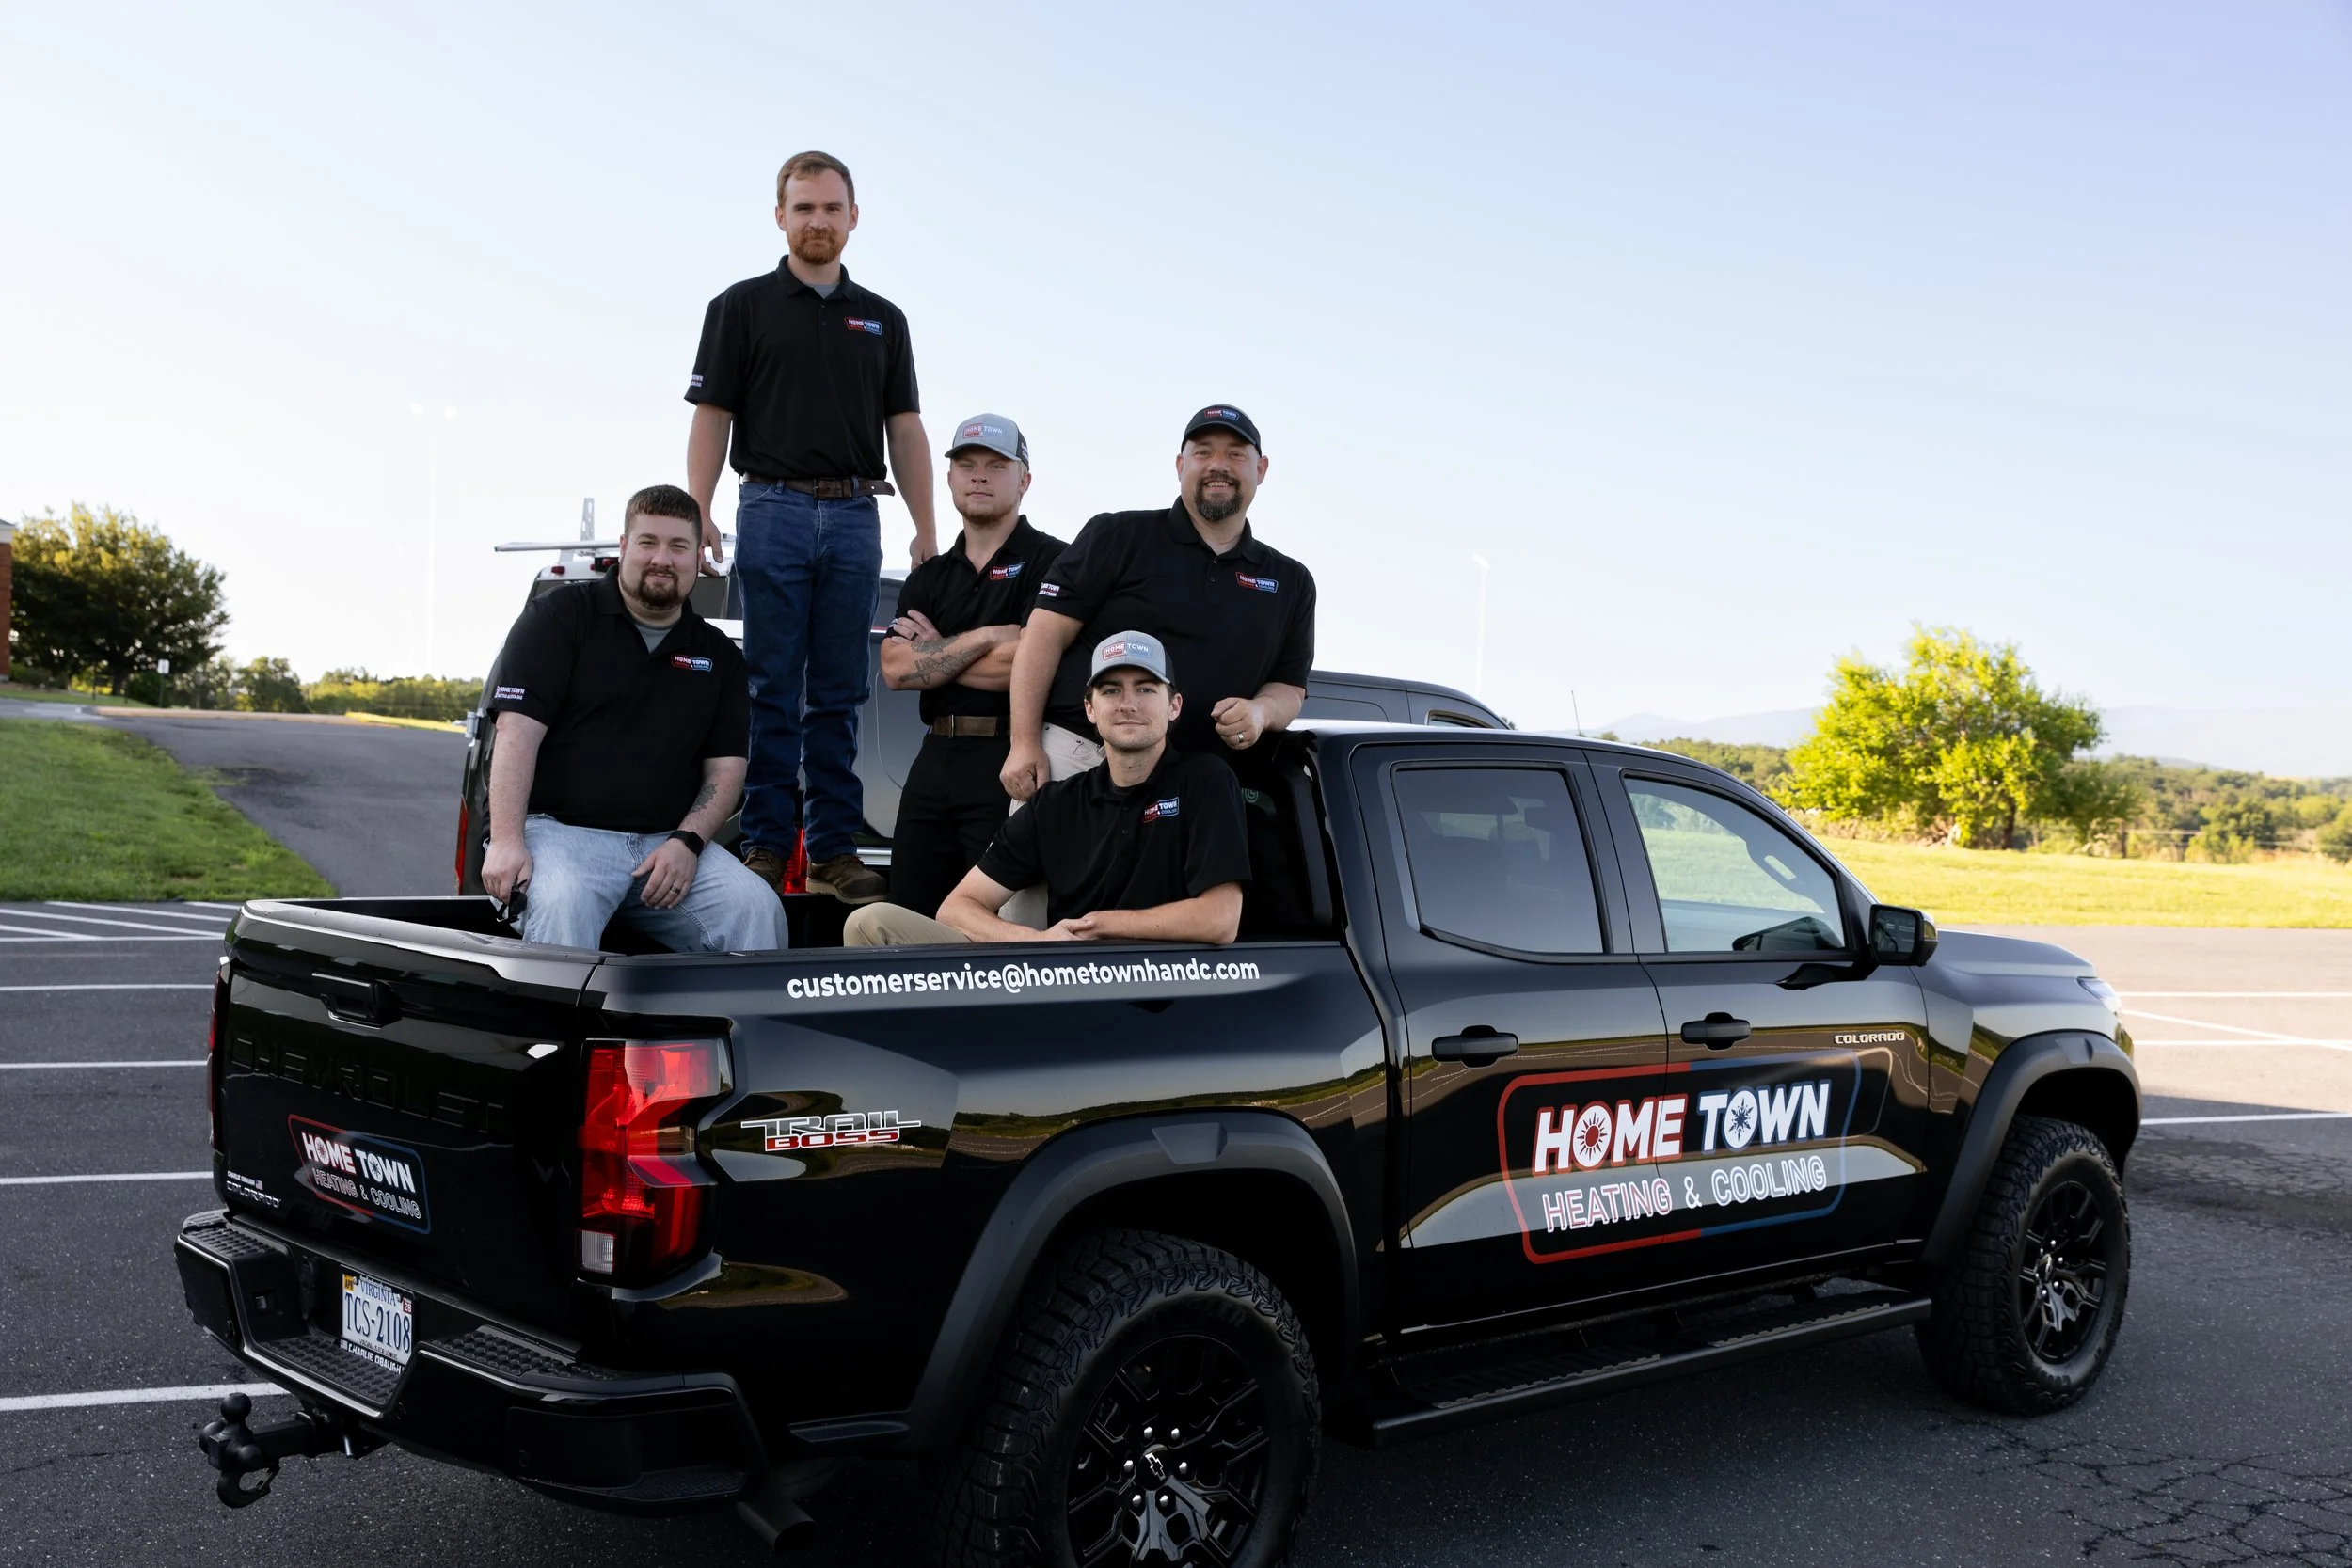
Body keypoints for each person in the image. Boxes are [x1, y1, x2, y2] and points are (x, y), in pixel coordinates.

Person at [684, 150, 937, 907]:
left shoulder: (884, 321)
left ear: (853, 218)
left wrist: (926, 528)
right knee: (769, 687)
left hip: (860, 513)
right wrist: (699, 509)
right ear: (780, 216)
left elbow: (907, 428)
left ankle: (829, 851)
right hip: (772, 508)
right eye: (804, 208)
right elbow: (711, 418)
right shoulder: (740, 307)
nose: (818, 221)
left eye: (831, 208)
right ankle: (766, 844)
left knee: (839, 692)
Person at [480, 486, 786, 954]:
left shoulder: (718, 655)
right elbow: (516, 733)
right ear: (623, 547)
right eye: (648, 542)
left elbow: (725, 770)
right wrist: (504, 841)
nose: (662, 558)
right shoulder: (559, 618)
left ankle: (727, 1030)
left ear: (698, 558)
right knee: (564, 902)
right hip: (558, 835)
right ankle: (561, 1030)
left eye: (679, 546)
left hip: (665, 842)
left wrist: (688, 842)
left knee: (755, 908)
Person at [844, 632, 1248, 947]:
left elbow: (1220, 919)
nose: (1128, 704)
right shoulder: (1057, 803)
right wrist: (1040, 942)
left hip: (1163, 993)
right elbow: (957, 908)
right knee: (870, 924)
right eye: (1111, 690)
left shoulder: (1204, 780)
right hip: (1060, 980)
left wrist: (1096, 928)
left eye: (1145, 689)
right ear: (1090, 709)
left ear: (1173, 705)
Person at [1001, 404, 1315, 803]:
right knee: (1032, 868)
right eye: (1203, 452)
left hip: (1188, 787)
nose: (1218, 464)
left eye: (1236, 454)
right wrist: (1023, 743)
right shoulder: (1117, 535)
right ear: (1180, 464)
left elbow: (1290, 686)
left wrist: (1260, 712)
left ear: (1262, 469)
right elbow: (1042, 636)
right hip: (1078, 760)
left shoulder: (1292, 582)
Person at [879, 414, 1067, 919]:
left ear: (1024, 480)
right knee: (910, 918)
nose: (978, 476)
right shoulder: (929, 575)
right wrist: (989, 636)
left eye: (995, 465)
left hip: (1011, 760)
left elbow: (1035, 662)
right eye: (966, 465)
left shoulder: (1056, 562)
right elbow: (896, 669)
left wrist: (936, 653)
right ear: (950, 478)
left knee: (992, 926)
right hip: (934, 759)